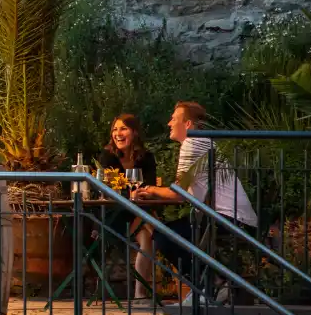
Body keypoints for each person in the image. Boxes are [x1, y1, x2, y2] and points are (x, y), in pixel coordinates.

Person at [134, 101, 258, 304]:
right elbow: (189, 194)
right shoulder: (203, 142)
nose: (169, 123)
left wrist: (150, 189)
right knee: (175, 232)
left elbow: (179, 194)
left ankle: (209, 286)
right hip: (235, 218)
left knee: (164, 236)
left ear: (188, 124)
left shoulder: (192, 143)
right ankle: (212, 285)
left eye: (174, 119)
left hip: (229, 219)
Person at [97, 113, 158, 301]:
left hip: (138, 213)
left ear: (135, 132)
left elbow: (149, 186)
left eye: (123, 129)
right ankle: (160, 230)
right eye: (115, 129)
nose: (118, 133)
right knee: (152, 227)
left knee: (147, 239)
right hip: (113, 215)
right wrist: (131, 195)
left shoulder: (146, 157)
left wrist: (138, 194)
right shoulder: (107, 156)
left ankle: (140, 293)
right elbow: (108, 190)